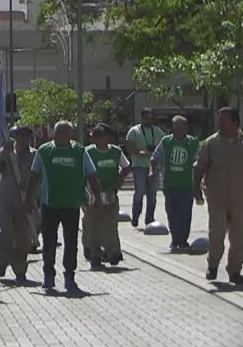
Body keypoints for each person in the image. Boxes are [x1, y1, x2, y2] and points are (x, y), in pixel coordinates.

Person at [194, 107, 243, 284]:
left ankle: (235, 270)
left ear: (235, 122)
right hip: (217, 197)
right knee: (217, 233)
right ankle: (212, 265)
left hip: (239, 197)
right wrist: (195, 187)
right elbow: (199, 166)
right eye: (219, 119)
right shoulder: (211, 143)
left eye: (224, 119)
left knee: (238, 236)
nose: (220, 123)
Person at [25, 121, 102, 291]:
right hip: (50, 204)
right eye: (57, 132)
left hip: (71, 204)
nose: (59, 135)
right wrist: (29, 199)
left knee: (71, 242)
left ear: (71, 135)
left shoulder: (80, 151)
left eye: (64, 133)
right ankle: (48, 274)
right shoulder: (44, 151)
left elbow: (91, 174)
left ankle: (69, 275)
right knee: (49, 241)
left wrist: (97, 197)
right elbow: (34, 175)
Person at [84, 123, 131, 268]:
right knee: (93, 227)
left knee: (110, 224)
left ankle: (113, 252)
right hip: (92, 195)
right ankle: (95, 255)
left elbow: (127, 166)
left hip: (110, 193)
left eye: (102, 136)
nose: (99, 140)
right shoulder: (88, 152)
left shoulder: (116, 151)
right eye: (97, 137)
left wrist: (120, 178)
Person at [151, 115, 201, 252]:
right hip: (170, 185)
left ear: (186, 128)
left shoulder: (192, 142)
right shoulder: (166, 142)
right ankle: (175, 239)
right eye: (175, 127)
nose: (178, 130)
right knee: (172, 213)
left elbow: (200, 160)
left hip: (186, 185)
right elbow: (155, 157)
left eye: (181, 127)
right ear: (172, 128)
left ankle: (183, 240)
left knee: (185, 214)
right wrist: (152, 170)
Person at [0, 126, 37, 284]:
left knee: (22, 237)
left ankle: (20, 269)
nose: (23, 139)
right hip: (6, 198)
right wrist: (4, 152)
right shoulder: (6, 153)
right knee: (6, 233)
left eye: (26, 136)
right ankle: (2, 262)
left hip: (25, 200)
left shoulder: (33, 155)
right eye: (20, 136)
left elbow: (38, 176)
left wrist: (32, 194)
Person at [126, 108, 165, 227]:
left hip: (154, 166)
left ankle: (149, 219)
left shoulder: (157, 131)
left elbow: (164, 146)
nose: (150, 121)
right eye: (147, 118)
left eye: (152, 118)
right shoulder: (134, 131)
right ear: (142, 118)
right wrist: (145, 153)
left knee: (152, 195)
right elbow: (131, 149)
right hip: (139, 166)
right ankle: (136, 216)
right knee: (140, 191)